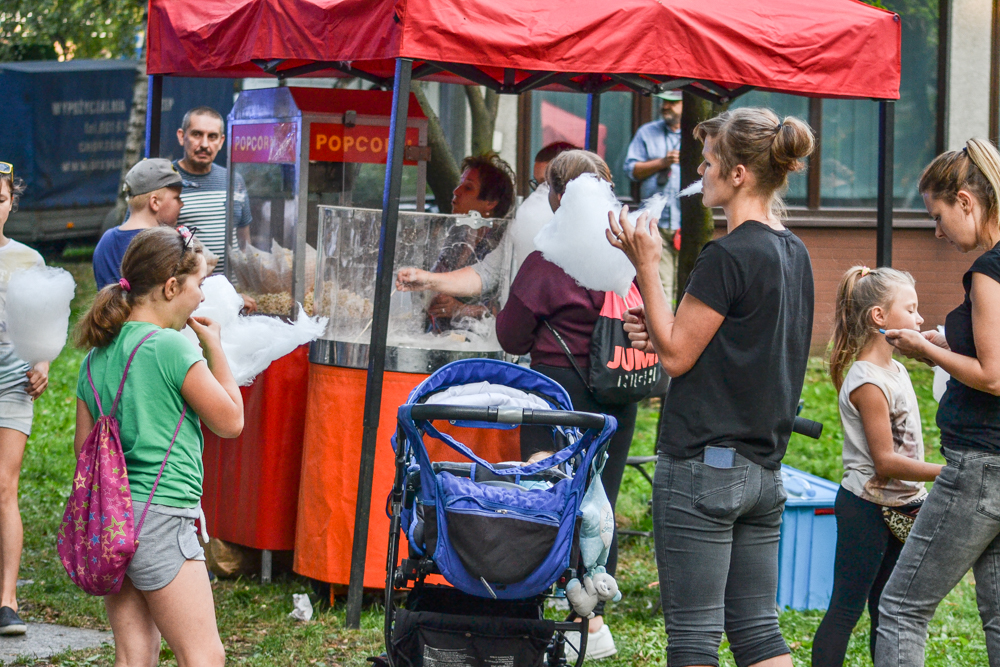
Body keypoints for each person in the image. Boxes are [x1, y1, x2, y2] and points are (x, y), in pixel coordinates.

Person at [610, 107, 814, 667]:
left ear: (739, 174)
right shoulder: (793, 252)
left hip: (702, 469)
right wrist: (662, 330)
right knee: (759, 636)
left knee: (695, 642)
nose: (699, 174)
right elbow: (746, 348)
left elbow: (677, 357)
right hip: (763, 472)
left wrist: (646, 264)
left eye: (707, 163)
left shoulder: (727, 254)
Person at [74, 226, 243, 666]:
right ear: (171, 287)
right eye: (199, 285)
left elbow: (82, 448)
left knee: (134, 656)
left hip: (114, 522)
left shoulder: (95, 358)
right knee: (204, 655)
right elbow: (231, 421)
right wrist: (215, 348)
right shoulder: (170, 347)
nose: (202, 298)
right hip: (163, 517)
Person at [495, 150, 637, 660]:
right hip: (619, 395)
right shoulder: (629, 255)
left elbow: (511, 336)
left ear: (557, 197)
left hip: (555, 396)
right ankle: (592, 620)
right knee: (602, 504)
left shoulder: (544, 262)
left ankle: (550, 605)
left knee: (554, 500)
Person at [874, 138, 1000, 667]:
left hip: (979, 468)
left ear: (967, 202)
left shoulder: (989, 271)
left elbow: (993, 376)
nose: (938, 230)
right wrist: (947, 344)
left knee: (902, 606)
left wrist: (925, 347)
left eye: (939, 215)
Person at [811, 266, 942, 667]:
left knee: (888, 611)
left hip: (903, 506)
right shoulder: (868, 380)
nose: (919, 319)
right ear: (879, 318)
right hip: (866, 508)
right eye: (912, 309)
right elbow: (885, 462)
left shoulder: (897, 369)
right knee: (846, 610)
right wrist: (949, 472)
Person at [396, 142, 575, 301]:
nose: (540, 194)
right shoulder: (519, 230)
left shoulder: (597, 231)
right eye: (537, 185)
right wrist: (427, 280)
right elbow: (486, 274)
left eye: (547, 185)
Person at [0, 164, 49, 635]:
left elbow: (44, 327)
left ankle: (7, 601)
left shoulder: (29, 261)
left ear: (11, 202)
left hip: (11, 384)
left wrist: (44, 365)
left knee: (4, 487)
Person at [173, 106, 256, 312]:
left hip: (234, 298)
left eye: (212, 137)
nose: (204, 144)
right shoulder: (167, 181)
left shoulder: (233, 180)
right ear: (182, 136)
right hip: (188, 301)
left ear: (221, 141)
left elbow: (244, 243)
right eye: (197, 135)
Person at [423, 154, 516, 325]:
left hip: (479, 344)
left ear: (490, 203)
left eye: (468, 188)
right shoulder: (457, 232)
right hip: (442, 339)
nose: (456, 192)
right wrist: (433, 295)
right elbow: (437, 274)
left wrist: (460, 309)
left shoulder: (502, 243)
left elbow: (506, 309)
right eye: (460, 184)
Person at [623, 91, 683, 303]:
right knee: (664, 288)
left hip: (686, 225)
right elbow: (631, 170)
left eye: (673, 103)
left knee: (687, 286)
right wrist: (662, 163)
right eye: (664, 102)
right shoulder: (647, 132)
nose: (666, 107)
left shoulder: (697, 135)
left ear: (686, 105)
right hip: (655, 224)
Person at [92, 159, 185, 288]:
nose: (182, 204)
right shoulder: (164, 245)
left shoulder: (106, 241)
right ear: (155, 202)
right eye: (177, 198)